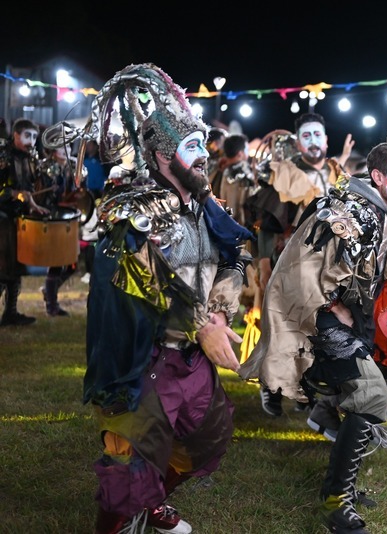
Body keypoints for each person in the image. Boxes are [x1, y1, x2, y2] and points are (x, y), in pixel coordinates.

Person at [239, 142, 387, 533]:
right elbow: (298, 274)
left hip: (358, 323)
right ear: (378, 177)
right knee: (371, 395)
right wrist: (328, 309)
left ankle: (342, 486)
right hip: (321, 323)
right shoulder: (348, 212)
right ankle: (336, 501)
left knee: (364, 398)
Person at [79, 63, 253, 534]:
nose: (202, 158)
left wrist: (218, 311)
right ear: (160, 155)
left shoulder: (204, 203)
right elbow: (137, 282)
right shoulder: (134, 212)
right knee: (130, 466)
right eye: (190, 148)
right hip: (143, 358)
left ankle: (153, 504)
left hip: (193, 358)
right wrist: (202, 325)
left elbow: (235, 254)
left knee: (205, 439)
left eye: (202, 147)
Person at [251, 113, 352, 416]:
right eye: (305, 136)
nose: (312, 141)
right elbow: (267, 225)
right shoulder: (284, 173)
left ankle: (304, 388)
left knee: (314, 329)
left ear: (325, 140)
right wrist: (267, 267)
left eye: (316, 135)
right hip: (288, 262)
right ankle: (270, 388)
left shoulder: (337, 173)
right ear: (297, 142)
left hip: (328, 266)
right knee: (282, 327)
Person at [0, 118, 48, 326]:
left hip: (17, 219)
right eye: (27, 135)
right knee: (4, 269)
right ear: (16, 135)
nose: (31, 140)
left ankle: (11, 313)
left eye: (34, 136)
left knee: (16, 267)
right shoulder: (3, 157)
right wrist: (15, 194)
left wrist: (34, 205)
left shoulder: (30, 159)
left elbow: (29, 191)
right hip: (2, 219)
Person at [38, 144, 80, 316]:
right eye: (61, 147)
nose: (66, 150)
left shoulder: (71, 167)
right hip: (53, 219)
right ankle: (52, 306)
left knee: (72, 264)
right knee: (56, 264)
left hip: (68, 218)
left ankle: (49, 292)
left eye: (68, 147)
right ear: (53, 150)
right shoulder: (47, 169)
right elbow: (43, 196)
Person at [217, 133, 254, 226]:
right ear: (240, 154)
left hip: (223, 221)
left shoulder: (218, 169)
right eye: (247, 149)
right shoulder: (241, 173)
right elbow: (232, 206)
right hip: (237, 227)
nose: (248, 153)